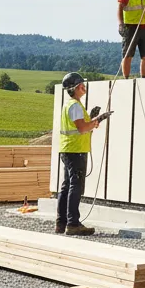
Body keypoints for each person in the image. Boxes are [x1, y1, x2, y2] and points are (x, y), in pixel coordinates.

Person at [56, 72, 112, 236]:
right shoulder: (74, 106)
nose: (84, 86)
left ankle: (61, 223)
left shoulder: (72, 105)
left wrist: (93, 119)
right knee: (75, 186)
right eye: (81, 84)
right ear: (75, 88)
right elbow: (82, 128)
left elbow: (80, 126)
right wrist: (98, 120)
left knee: (67, 186)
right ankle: (73, 224)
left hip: (69, 149)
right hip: (75, 150)